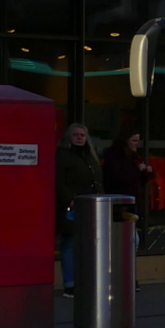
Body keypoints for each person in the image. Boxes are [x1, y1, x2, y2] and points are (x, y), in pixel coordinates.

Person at [56, 122, 102, 299]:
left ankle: (84, 282)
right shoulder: (63, 155)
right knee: (70, 244)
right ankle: (70, 284)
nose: (79, 138)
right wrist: (70, 199)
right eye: (76, 135)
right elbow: (58, 181)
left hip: (91, 205)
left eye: (82, 135)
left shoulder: (89, 156)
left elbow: (97, 180)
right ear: (69, 137)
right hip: (72, 206)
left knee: (87, 245)